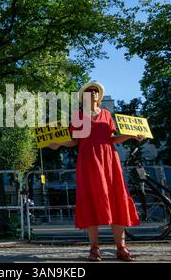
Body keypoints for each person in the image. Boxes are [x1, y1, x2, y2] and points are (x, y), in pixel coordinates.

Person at [48, 81, 145, 261]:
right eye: (88, 91)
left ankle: (121, 247)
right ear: (83, 96)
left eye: (95, 91)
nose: (92, 93)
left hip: (109, 160)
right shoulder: (78, 116)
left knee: (116, 200)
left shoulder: (107, 114)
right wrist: (59, 143)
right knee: (91, 201)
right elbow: (75, 141)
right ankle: (94, 248)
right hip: (88, 162)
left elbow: (112, 138)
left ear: (98, 97)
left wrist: (132, 135)